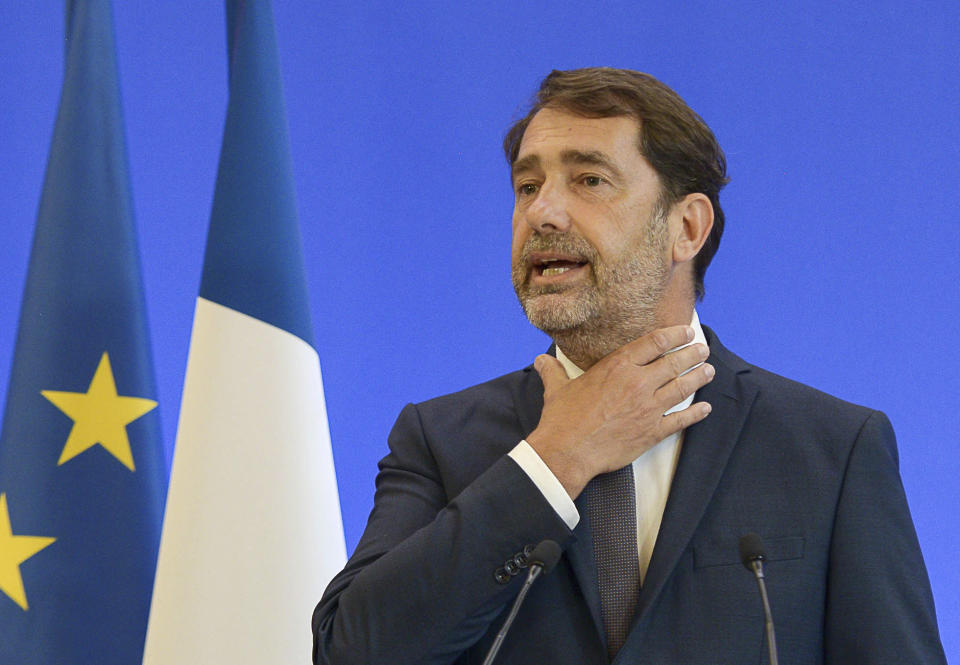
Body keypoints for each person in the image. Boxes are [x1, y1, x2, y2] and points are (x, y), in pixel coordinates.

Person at [312, 68, 946, 664]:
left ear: (687, 228)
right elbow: (349, 650)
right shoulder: (441, 438)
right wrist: (555, 458)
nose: (542, 212)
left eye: (589, 180)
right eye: (528, 187)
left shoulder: (830, 450)